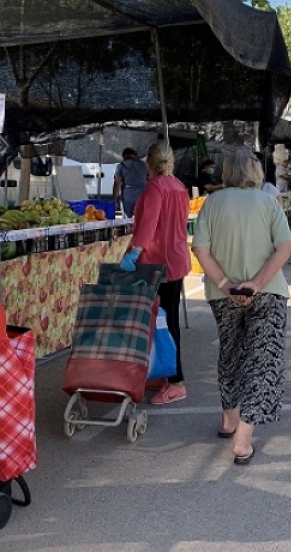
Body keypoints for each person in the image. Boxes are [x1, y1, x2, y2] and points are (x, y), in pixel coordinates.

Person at [191, 148, 291, 464]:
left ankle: (229, 419)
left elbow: (200, 249)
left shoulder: (212, 203)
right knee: (264, 360)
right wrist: (256, 283)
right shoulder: (268, 202)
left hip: (223, 295)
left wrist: (226, 285)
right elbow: (285, 246)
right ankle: (243, 439)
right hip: (268, 291)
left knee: (230, 351)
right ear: (255, 172)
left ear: (226, 172)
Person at [120, 141, 192, 405]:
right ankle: (165, 372)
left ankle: (177, 381)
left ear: (147, 163)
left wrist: (134, 252)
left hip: (156, 262)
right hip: (176, 259)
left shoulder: (154, 188)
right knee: (166, 319)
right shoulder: (179, 186)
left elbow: (148, 225)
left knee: (163, 321)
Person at [113, 147, 149, 217]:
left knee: (127, 219)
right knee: (141, 217)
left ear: (124, 156)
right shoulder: (144, 165)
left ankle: (128, 223)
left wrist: (115, 200)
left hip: (127, 196)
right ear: (135, 155)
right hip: (142, 195)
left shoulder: (121, 166)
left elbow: (117, 184)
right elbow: (149, 180)